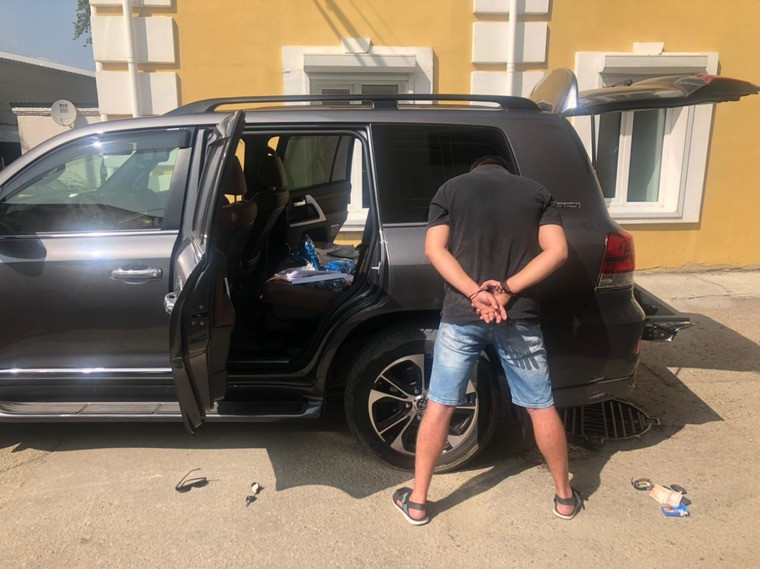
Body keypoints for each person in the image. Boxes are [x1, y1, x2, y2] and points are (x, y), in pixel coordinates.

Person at [392, 155, 582, 525]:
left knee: (440, 405)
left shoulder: (450, 189)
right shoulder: (537, 193)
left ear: (476, 168)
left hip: (463, 315)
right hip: (519, 316)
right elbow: (558, 252)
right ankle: (564, 497)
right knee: (540, 406)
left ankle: (417, 503)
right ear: (505, 169)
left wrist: (475, 293)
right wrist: (507, 289)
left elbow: (434, 249)